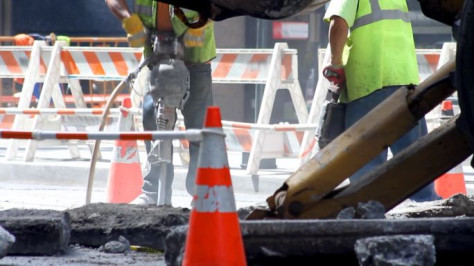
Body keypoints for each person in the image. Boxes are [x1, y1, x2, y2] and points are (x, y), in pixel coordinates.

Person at [322, 0, 440, 201]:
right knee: (414, 156)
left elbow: (338, 24)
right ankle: (427, 206)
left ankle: (369, 209)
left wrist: (336, 64)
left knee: (364, 158)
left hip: (369, 82)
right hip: (405, 81)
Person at [105, 0, 216, 205]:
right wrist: (129, 20)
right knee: (152, 119)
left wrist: (203, 23)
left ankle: (201, 196)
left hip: (196, 55)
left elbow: (224, 5)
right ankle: (154, 193)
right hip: (157, 55)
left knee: (199, 127)